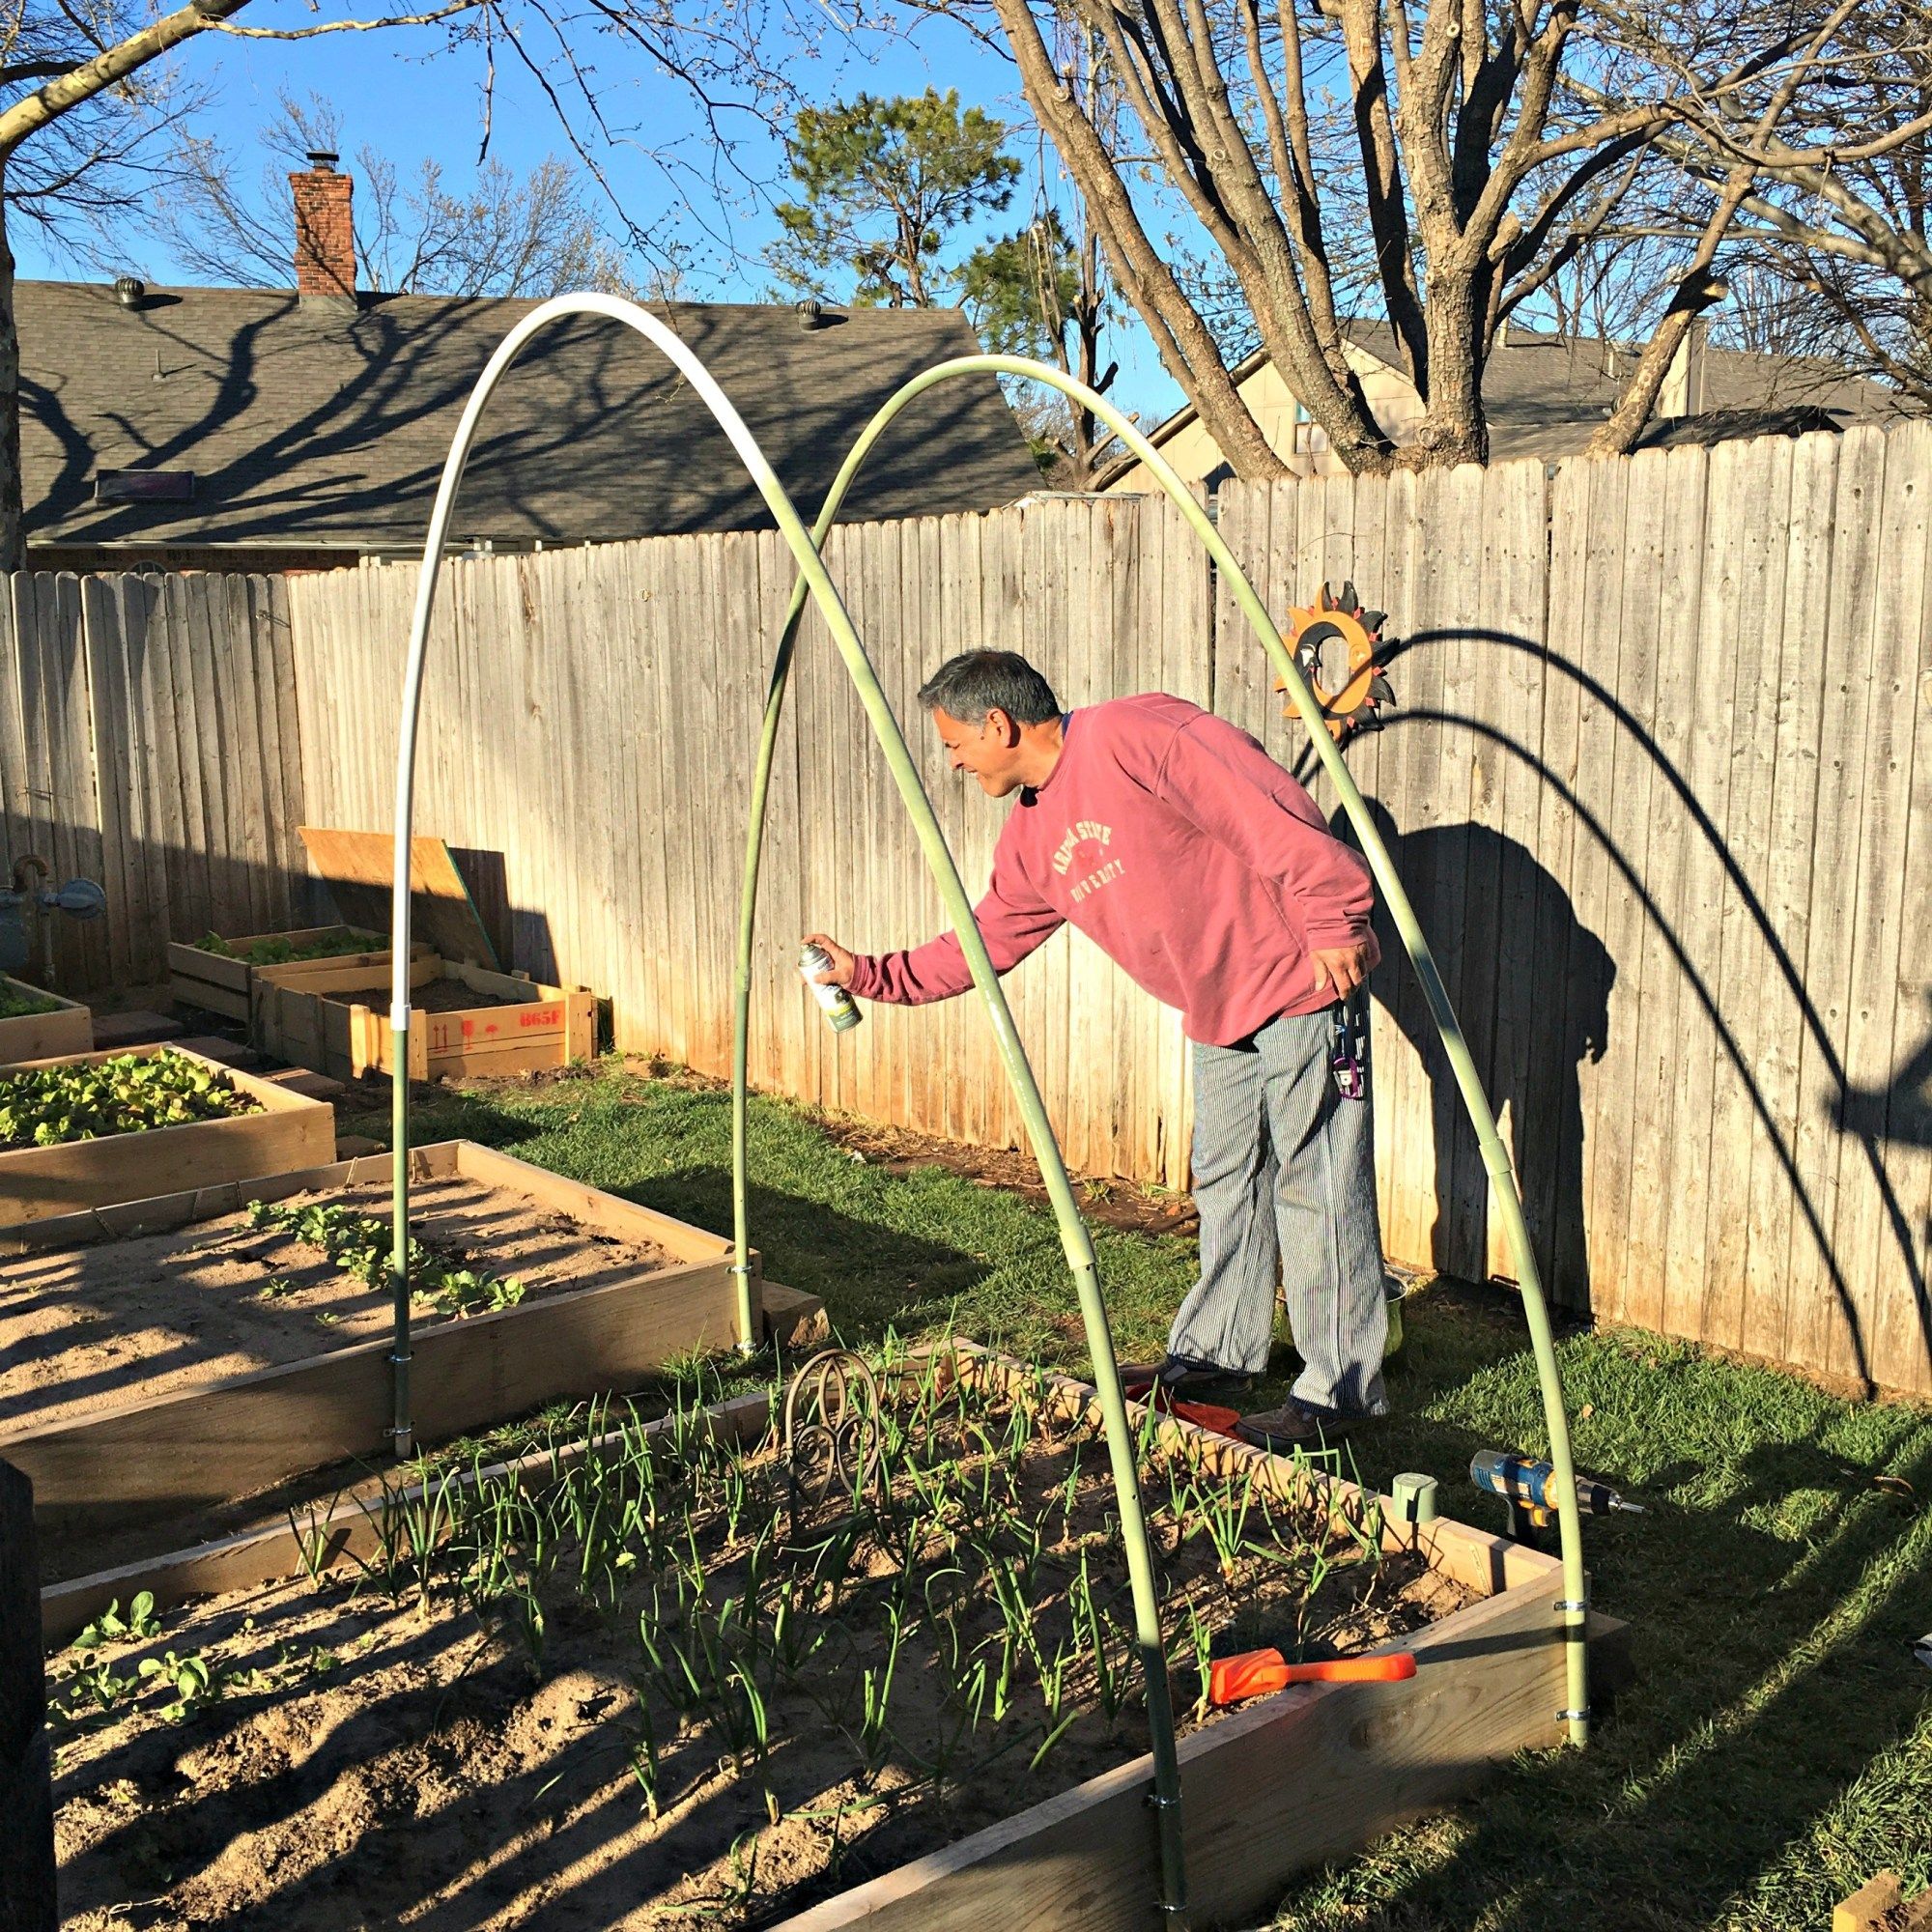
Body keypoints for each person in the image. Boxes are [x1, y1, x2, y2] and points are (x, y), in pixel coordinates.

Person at [806, 649, 1391, 1449]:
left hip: (1297, 974)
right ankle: (1219, 1352)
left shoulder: (1133, 734)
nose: (951, 763)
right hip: (1218, 1008)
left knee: (1314, 1179)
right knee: (1226, 1177)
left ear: (998, 725)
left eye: (954, 745)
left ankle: (1339, 1392)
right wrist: (868, 975)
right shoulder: (1030, 837)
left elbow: (1261, 808)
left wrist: (1334, 917)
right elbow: (982, 945)